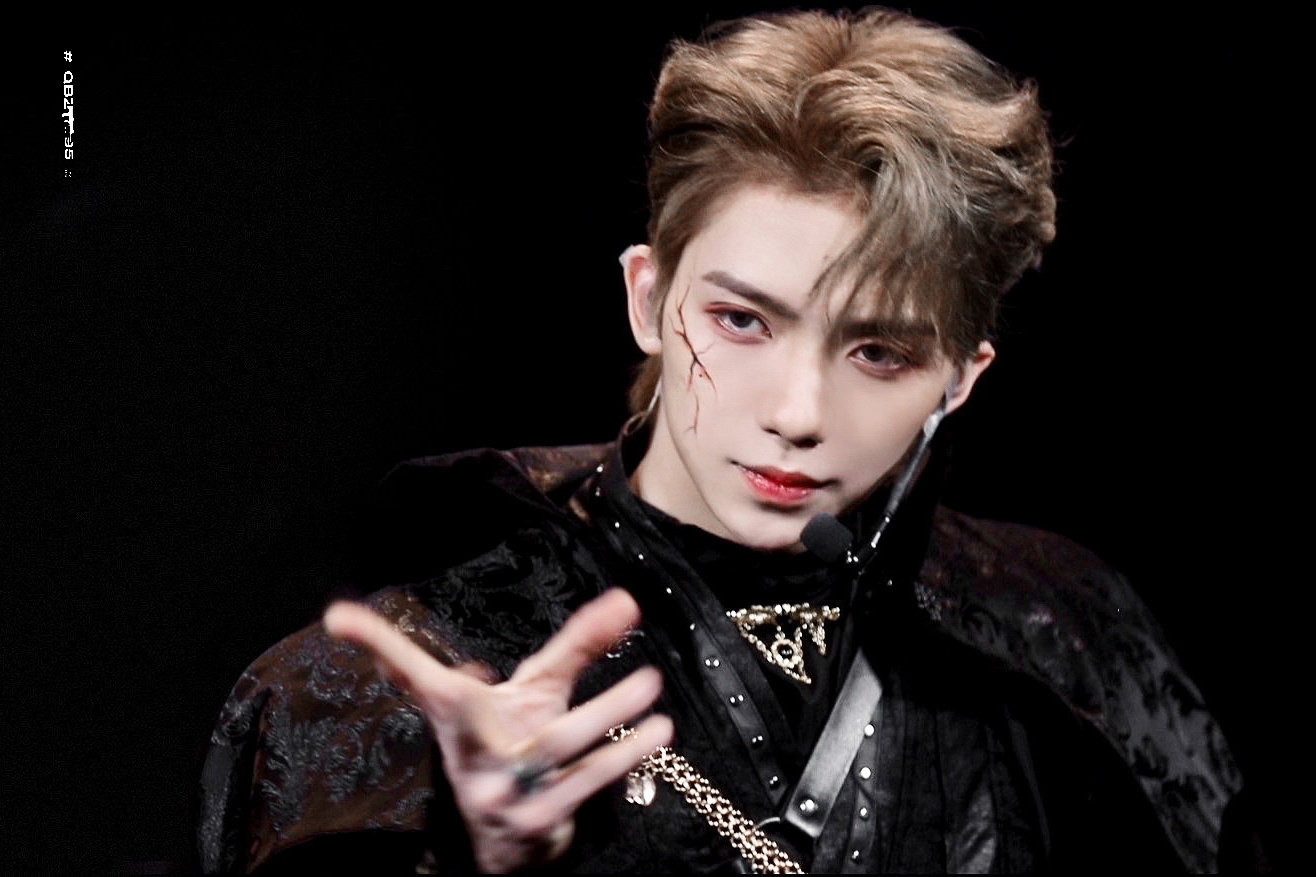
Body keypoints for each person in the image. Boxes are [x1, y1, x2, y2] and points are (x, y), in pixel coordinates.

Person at [198, 8, 1244, 874]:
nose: (797, 410)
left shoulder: (1062, 631)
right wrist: (465, 851)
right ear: (648, 298)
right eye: (742, 320)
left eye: (879, 351)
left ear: (961, 378)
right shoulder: (391, 681)